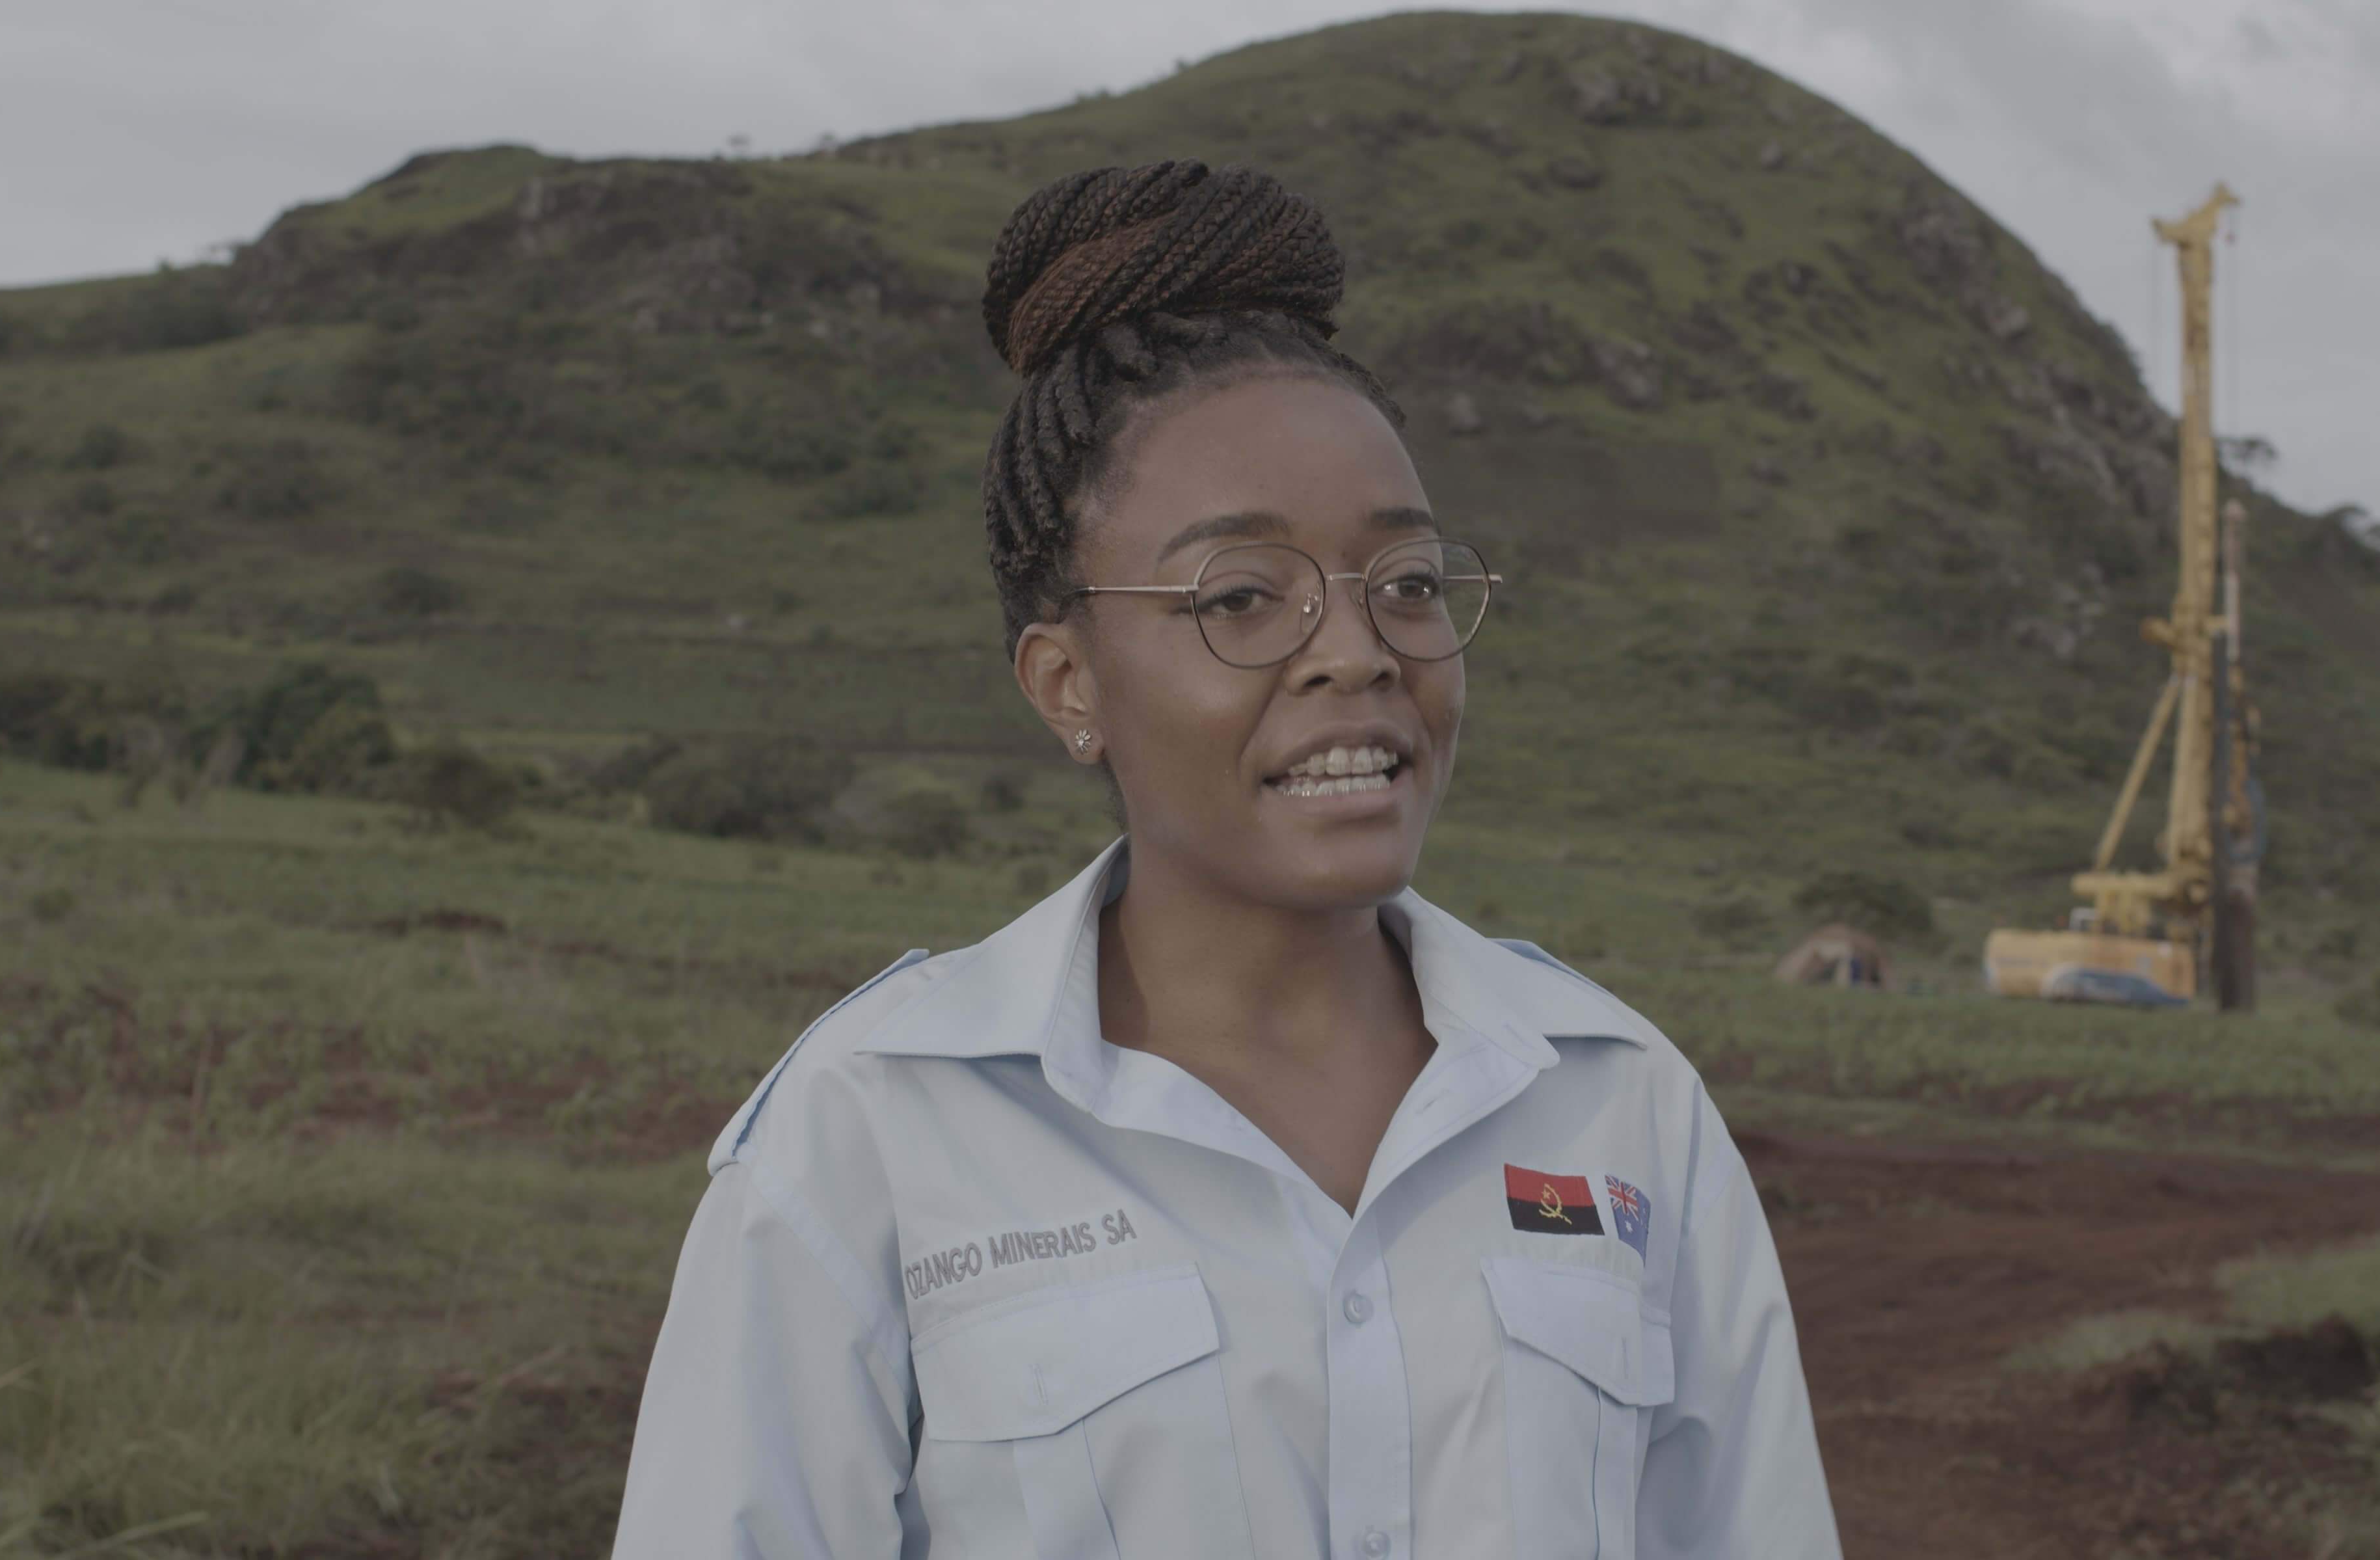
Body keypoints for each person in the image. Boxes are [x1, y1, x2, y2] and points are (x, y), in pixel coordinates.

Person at [611, 159, 1839, 1560]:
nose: (1356, 651)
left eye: (1410, 581)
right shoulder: (873, 1133)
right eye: (1242, 596)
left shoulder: (1622, 1108)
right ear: (1066, 680)